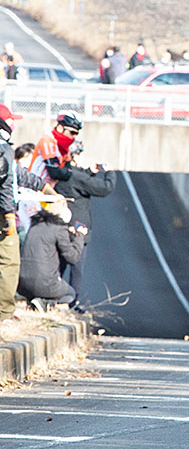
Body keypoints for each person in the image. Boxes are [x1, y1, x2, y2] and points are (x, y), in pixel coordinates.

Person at [0, 105, 60, 320]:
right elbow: (6, 184)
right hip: (3, 215)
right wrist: (9, 216)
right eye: (11, 121)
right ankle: (4, 313)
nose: (14, 125)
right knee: (9, 261)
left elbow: (19, 175)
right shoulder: (2, 148)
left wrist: (45, 189)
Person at [45, 144, 116, 302]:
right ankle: (73, 301)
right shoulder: (76, 177)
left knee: (58, 264)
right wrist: (110, 173)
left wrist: (89, 172)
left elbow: (77, 180)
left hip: (61, 224)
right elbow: (105, 188)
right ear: (74, 157)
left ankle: (52, 298)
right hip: (78, 228)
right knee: (76, 267)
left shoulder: (64, 173)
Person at [18, 198, 83, 308]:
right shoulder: (59, 229)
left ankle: (35, 301)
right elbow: (73, 257)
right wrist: (79, 237)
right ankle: (45, 303)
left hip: (21, 283)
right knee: (70, 294)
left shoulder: (34, 225)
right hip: (45, 283)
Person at [35, 113, 82, 182]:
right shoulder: (47, 141)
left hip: (49, 188)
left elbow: (68, 171)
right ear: (60, 128)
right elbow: (54, 173)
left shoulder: (66, 149)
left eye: (76, 134)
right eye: (72, 132)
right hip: (33, 189)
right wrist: (66, 172)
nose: (74, 136)